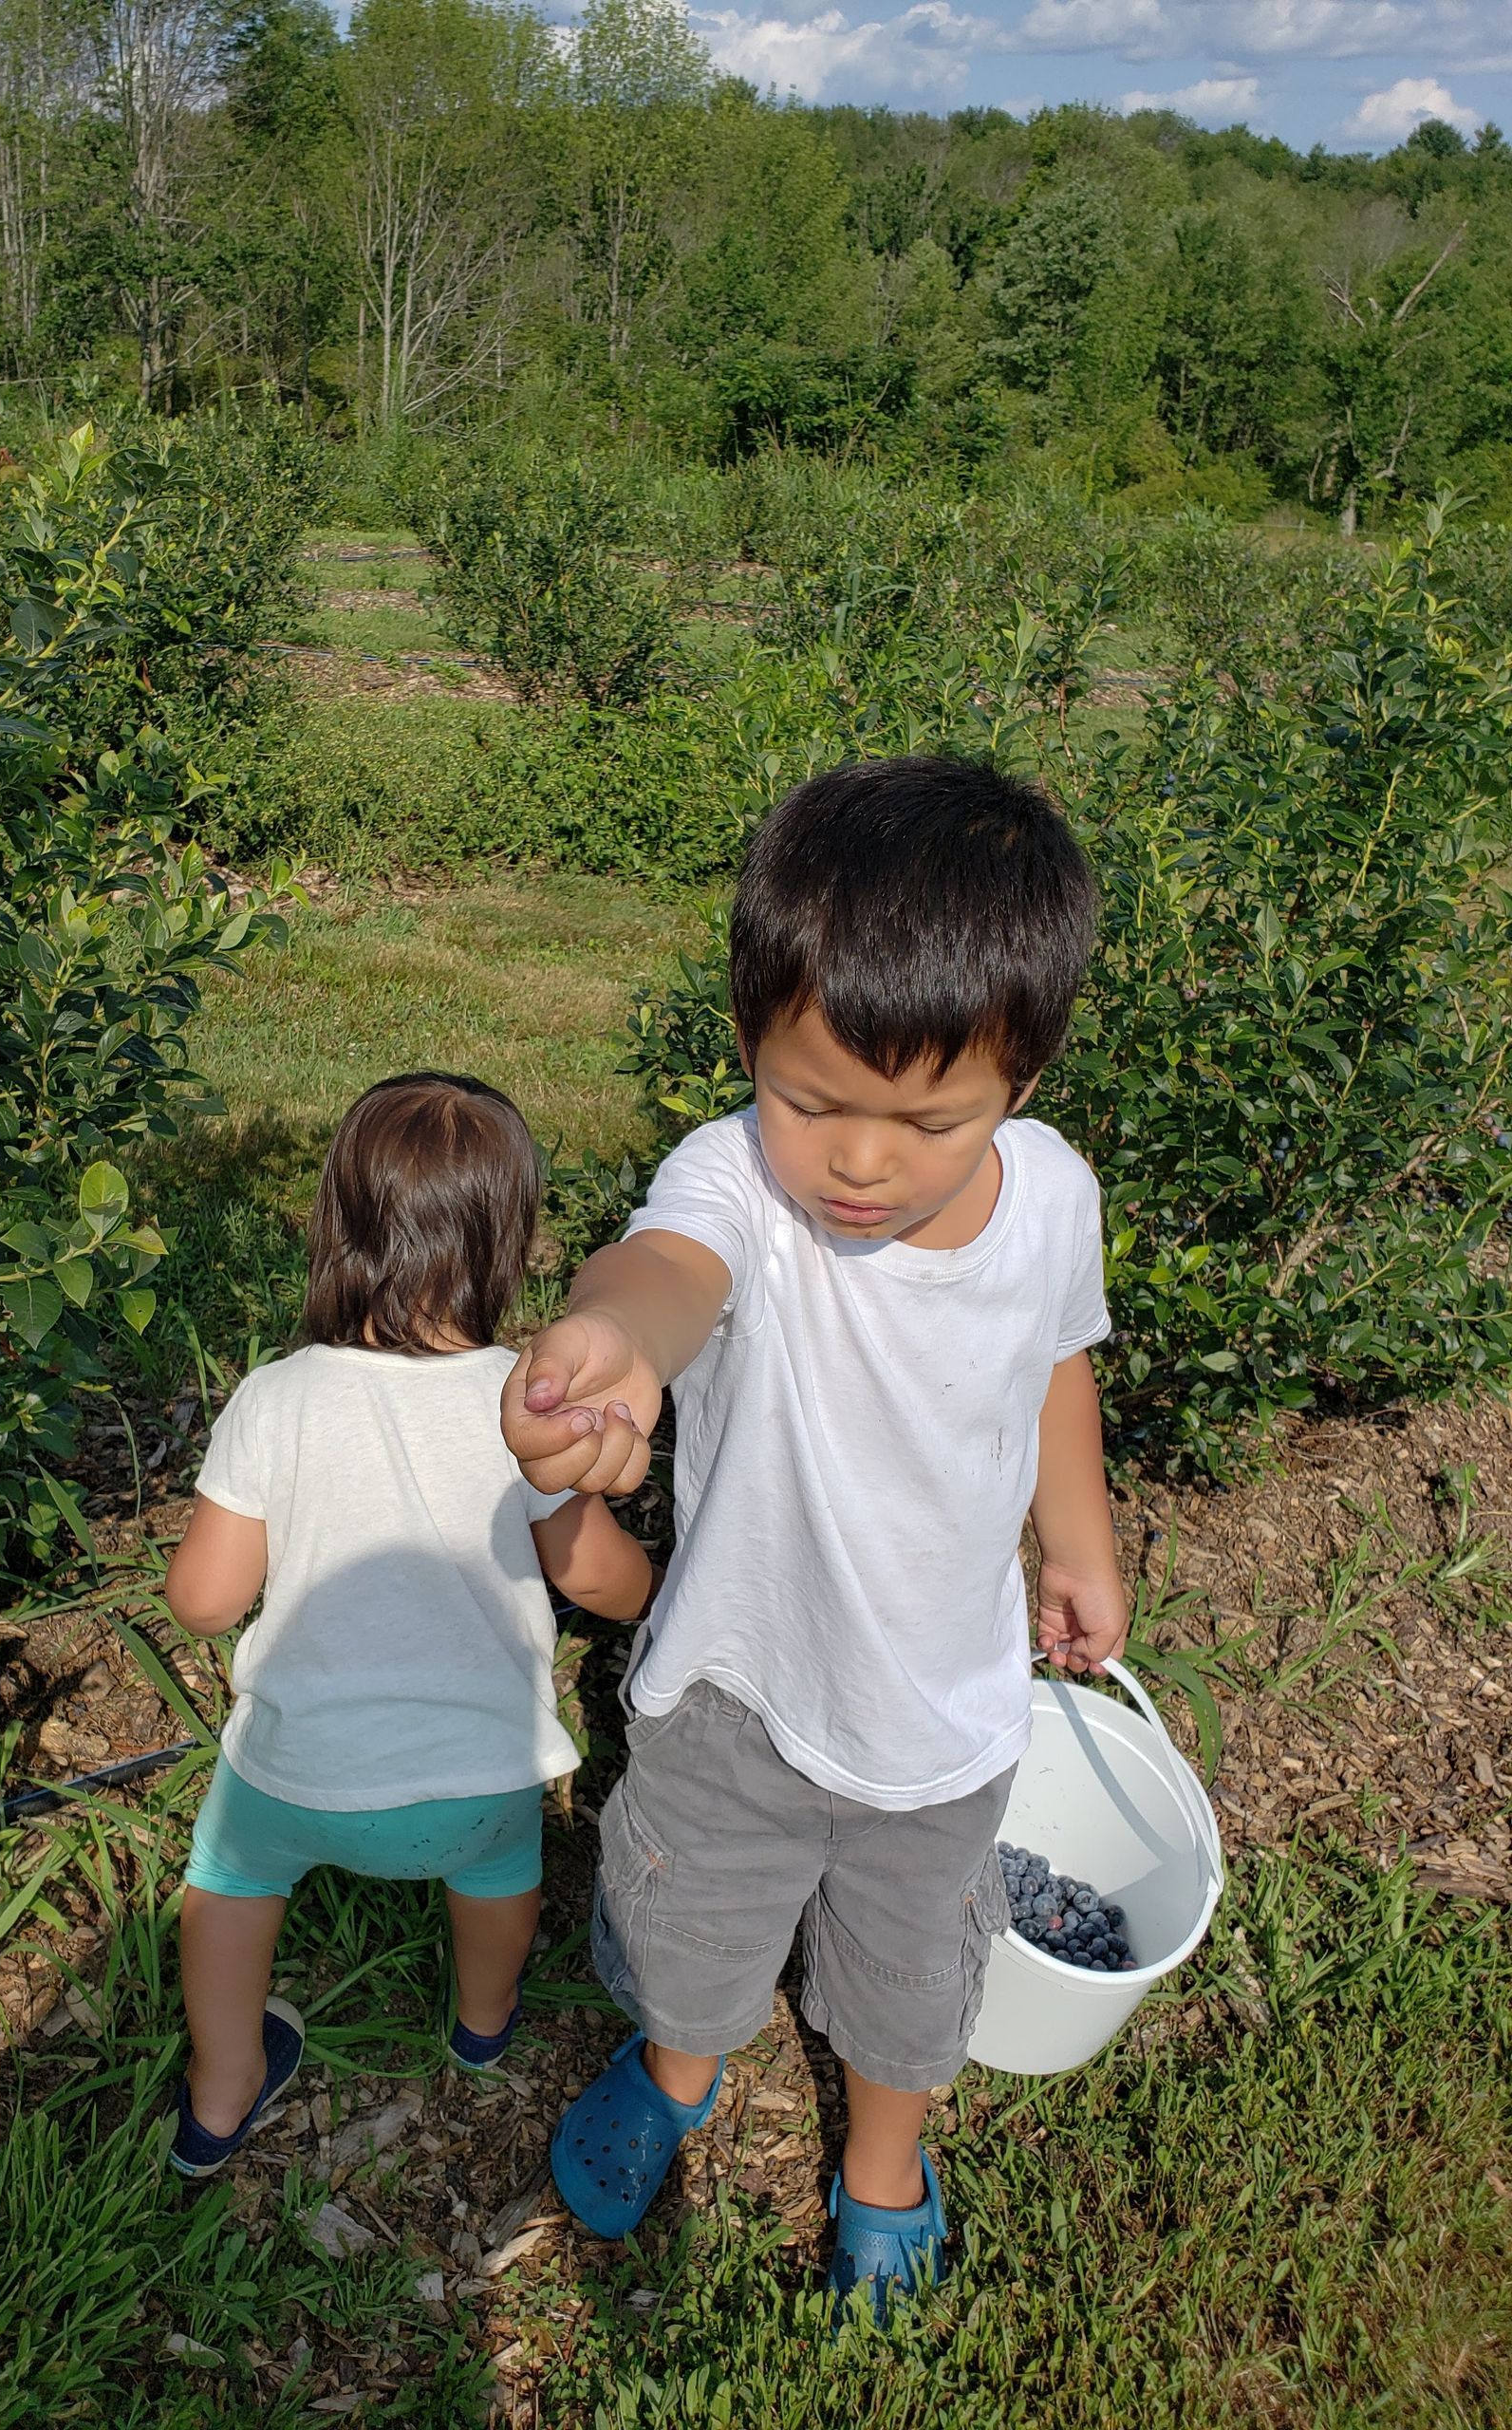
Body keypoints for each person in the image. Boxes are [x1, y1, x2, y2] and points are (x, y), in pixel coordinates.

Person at [501, 757, 1127, 2317]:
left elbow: (1057, 1360)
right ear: (750, 1051)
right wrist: (610, 1345)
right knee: (694, 1926)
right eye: (811, 1100)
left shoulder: (1052, 1202)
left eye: (928, 1122)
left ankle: (884, 2165)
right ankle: (681, 2069)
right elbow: (663, 1268)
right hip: (740, 1694)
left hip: (942, 1721)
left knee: (917, 1984)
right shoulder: (737, 1185)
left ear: (1023, 1085)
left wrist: (1080, 1536)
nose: (857, 1161)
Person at [163, 1073, 657, 2180]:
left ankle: (222, 2087)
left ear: (334, 1228)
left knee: (226, 1887)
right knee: (501, 1882)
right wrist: (661, 1579)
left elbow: (201, 1602)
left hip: (297, 1784)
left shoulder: (276, 1399)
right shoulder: (524, 1409)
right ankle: (482, 2023)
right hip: (481, 1787)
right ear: (510, 1247)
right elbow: (608, 1583)